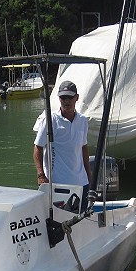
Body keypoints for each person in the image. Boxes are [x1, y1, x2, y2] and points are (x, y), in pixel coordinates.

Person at [33, 80, 92, 210]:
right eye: (63, 97)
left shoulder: (82, 120)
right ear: (59, 98)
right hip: (58, 186)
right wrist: (41, 175)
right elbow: (38, 147)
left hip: (81, 183)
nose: (67, 101)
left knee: (81, 220)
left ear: (77, 98)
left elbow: (84, 148)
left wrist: (89, 176)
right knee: (59, 224)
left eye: (70, 97)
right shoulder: (50, 119)